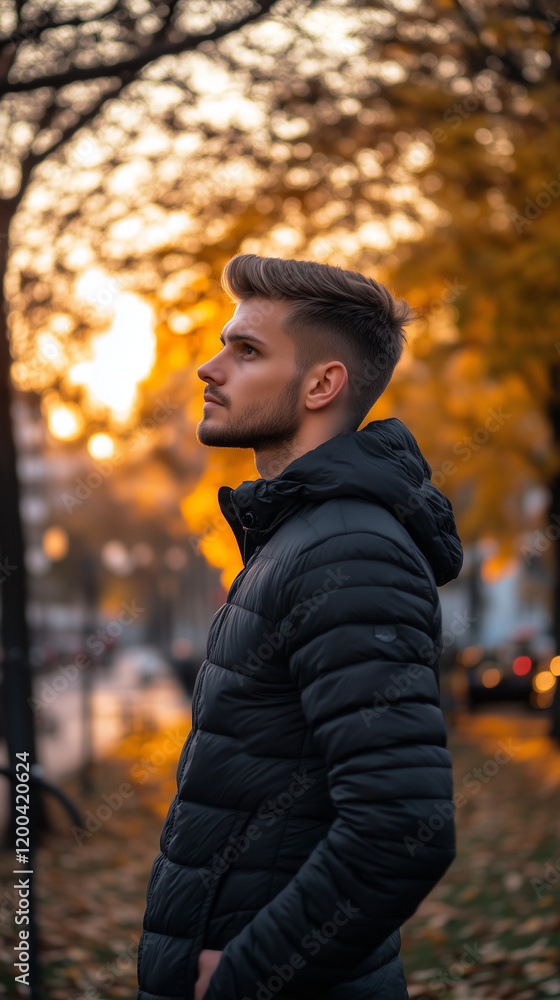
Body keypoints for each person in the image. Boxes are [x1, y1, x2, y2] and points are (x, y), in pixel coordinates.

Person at [137, 254, 463, 1000]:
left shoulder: (348, 551)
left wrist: (248, 977)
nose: (209, 369)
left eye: (246, 350)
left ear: (322, 385)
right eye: (225, 344)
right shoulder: (299, 539)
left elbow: (401, 828)